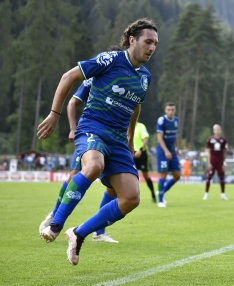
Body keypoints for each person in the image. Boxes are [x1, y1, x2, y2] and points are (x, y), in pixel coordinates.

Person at [37, 19, 158, 265]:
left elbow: (136, 107)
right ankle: (56, 221)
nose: (152, 47)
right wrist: (54, 114)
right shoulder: (109, 60)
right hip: (93, 127)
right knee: (92, 167)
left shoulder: (145, 77)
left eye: (155, 43)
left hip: (117, 139)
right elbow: (68, 76)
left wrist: (129, 137)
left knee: (131, 198)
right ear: (132, 40)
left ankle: (79, 234)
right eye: (148, 41)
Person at [39, 47, 126, 243]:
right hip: (91, 133)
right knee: (75, 175)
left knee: (113, 189)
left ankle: (99, 232)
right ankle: (55, 215)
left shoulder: (125, 83)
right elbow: (72, 103)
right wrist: (72, 128)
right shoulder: (94, 76)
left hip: (112, 138)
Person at [156, 102, 181, 208]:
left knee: (177, 175)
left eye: (172, 109)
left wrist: (177, 146)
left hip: (171, 149)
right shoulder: (161, 120)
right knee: (163, 175)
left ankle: (161, 191)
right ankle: (160, 200)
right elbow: (159, 138)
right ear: (165, 110)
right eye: (169, 110)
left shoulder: (176, 120)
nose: (171, 111)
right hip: (162, 150)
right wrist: (166, 151)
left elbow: (174, 134)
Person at [133, 120, 157, 203]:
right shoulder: (126, 126)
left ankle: (153, 193)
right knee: (131, 175)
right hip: (131, 154)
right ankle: (133, 196)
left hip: (142, 153)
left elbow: (145, 140)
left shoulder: (141, 126)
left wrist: (140, 150)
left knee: (145, 175)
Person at [203, 124, 228, 200]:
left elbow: (225, 152)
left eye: (218, 129)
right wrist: (209, 162)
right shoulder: (210, 139)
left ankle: (223, 194)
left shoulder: (224, 140)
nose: (217, 131)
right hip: (213, 161)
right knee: (209, 177)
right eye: (216, 129)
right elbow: (209, 152)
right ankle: (206, 194)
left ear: (220, 130)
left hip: (220, 161)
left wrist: (224, 162)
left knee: (222, 177)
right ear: (213, 131)